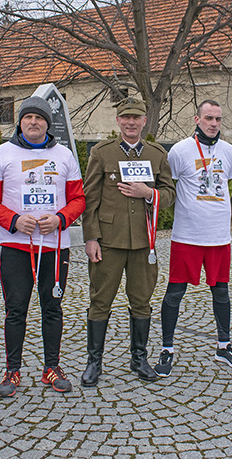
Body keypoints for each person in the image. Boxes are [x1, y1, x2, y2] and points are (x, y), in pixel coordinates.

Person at [0, 97, 86, 397]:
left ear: (47, 124)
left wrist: (61, 219)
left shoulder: (64, 155)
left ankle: (51, 367)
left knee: (52, 307)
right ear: (20, 122)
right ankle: (12, 370)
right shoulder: (2, 153)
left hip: (54, 247)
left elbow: (79, 199)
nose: (33, 123)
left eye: (39, 118)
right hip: (16, 245)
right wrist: (13, 220)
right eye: (28, 118)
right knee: (16, 310)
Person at [81, 97, 176, 386]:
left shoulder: (157, 154)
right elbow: (90, 198)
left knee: (142, 301)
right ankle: (94, 362)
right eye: (126, 118)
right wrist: (91, 238)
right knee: (100, 301)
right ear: (118, 121)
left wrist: (148, 193)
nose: (131, 122)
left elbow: (169, 194)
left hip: (143, 243)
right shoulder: (102, 153)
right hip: (108, 241)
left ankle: (139, 358)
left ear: (144, 121)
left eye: (136, 117)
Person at [154, 99, 232, 378]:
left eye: (218, 119)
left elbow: (229, 187)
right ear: (197, 119)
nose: (213, 124)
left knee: (221, 292)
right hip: (187, 236)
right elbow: (168, 187)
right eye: (208, 118)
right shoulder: (180, 151)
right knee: (174, 293)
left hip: (219, 236)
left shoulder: (229, 151)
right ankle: (168, 348)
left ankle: (224, 345)